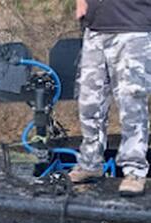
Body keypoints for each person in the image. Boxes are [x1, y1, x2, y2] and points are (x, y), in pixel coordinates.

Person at [68, 0, 151, 196]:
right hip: (95, 30)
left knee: (131, 102)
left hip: (133, 28)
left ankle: (134, 170)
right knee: (89, 103)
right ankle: (90, 163)